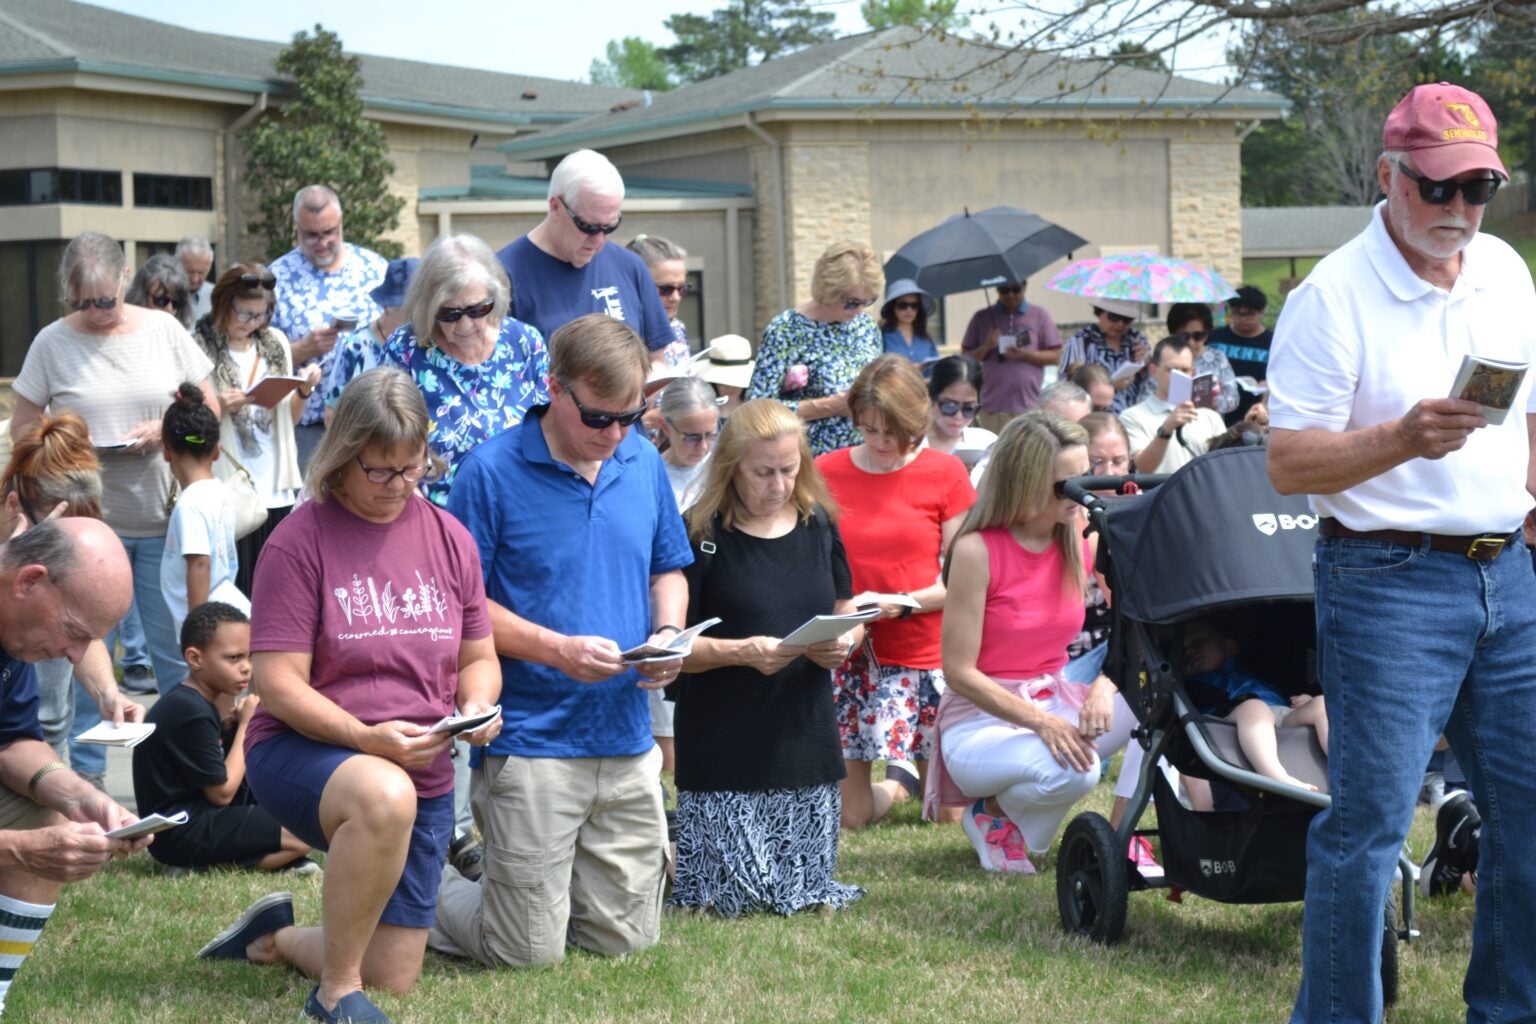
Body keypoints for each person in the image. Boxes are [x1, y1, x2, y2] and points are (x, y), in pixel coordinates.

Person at [1266, 82, 1536, 1024]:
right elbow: (1288, 463)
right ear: (1388, 175)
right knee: (1371, 830)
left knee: (1530, 819)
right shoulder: (1329, 295)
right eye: (1439, 189)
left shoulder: (1506, 269)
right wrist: (1400, 439)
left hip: (1508, 572)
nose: (1460, 212)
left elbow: (1528, 423)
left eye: (1479, 190)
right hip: (1386, 581)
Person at [197, 367, 502, 1024]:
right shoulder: (299, 540)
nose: (399, 487)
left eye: (412, 469)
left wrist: (476, 707)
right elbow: (276, 684)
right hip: (307, 751)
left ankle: (274, 937)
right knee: (381, 792)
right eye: (380, 471)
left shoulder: (449, 537)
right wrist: (365, 739)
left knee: (394, 974)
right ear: (343, 455)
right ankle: (334, 995)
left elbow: (480, 658)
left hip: (421, 765)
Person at [433, 314, 690, 969]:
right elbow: (461, 608)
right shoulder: (488, 473)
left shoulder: (642, 462)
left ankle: (534, 891)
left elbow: (668, 567)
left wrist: (666, 632)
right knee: (525, 956)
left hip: (626, 737)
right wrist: (557, 650)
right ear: (553, 387)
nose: (615, 434)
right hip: (532, 741)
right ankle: (419, 889)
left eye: (631, 416)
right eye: (599, 418)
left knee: (624, 944)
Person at [671, 399, 865, 915]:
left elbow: (846, 604)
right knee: (743, 896)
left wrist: (845, 640)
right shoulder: (700, 533)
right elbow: (672, 646)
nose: (777, 486)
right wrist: (741, 653)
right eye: (762, 472)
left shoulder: (819, 524)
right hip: (725, 745)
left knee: (798, 895)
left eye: (788, 470)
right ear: (731, 466)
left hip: (803, 735)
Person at [11, 231, 218, 705]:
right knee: (80, 648)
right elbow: (23, 430)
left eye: (106, 299)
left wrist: (166, 431)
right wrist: (70, 446)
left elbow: (208, 418)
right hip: (84, 528)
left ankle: (177, 762)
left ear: (127, 278)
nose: (98, 311)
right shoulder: (53, 342)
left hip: (163, 520)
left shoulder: (164, 331)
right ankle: (86, 772)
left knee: (174, 654)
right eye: (85, 303)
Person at [927, 413, 1135, 873]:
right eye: (1067, 483)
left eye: (1084, 476)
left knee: (1154, 704)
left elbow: (1136, 617)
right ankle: (993, 816)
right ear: (1025, 482)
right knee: (1077, 770)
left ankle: (1126, 835)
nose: (1081, 491)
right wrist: (1043, 724)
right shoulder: (977, 550)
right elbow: (959, 672)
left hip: (1054, 698)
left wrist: (1105, 685)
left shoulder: (1082, 536)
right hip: (980, 723)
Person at [817, 355, 976, 828]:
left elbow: (963, 577)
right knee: (852, 818)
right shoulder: (826, 470)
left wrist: (898, 605)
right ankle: (897, 784)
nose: (881, 443)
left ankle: (910, 778)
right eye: (868, 430)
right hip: (853, 651)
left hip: (922, 650)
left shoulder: (944, 473)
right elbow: (814, 564)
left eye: (892, 432)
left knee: (950, 815)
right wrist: (846, 610)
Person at [0, 518, 143, 1017]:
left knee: (52, 823)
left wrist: (78, 795)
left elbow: (12, 741)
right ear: (29, 581)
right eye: (75, 631)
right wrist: (16, 849)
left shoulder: (12, 632)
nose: (76, 655)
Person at [0, 417, 143, 784]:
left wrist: (107, 693)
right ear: (13, 506)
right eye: (54, 534)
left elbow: (83, 632)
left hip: (37, 743)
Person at [131, 602, 314, 875]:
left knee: (305, 818)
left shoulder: (196, 703)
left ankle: (268, 857)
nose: (246, 668)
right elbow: (221, 793)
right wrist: (246, 726)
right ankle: (201, 868)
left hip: (199, 820)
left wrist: (232, 728)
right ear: (195, 659)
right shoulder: (187, 709)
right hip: (179, 832)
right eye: (233, 658)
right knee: (306, 832)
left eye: (249, 657)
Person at [378, 233, 549, 508]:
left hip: (521, 509)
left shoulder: (525, 342)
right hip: (439, 515)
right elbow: (384, 439)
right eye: (450, 314)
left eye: (478, 309)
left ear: (496, 297)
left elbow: (550, 429)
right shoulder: (406, 349)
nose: (466, 325)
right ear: (428, 307)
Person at [193, 263, 314, 597]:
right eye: (245, 314)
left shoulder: (273, 342)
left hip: (276, 484)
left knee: (277, 586)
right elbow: (189, 429)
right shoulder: (199, 345)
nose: (253, 323)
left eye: (262, 315)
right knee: (236, 587)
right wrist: (218, 406)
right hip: (231, 484)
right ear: (222, 304)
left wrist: (303, 391)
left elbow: (289, 421)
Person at [497, 150, 673, 364]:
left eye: (610, 226)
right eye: (588, 226)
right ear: (555, 207)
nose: (598, 239)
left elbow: (656, 358)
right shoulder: (504, 277)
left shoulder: (630, 267)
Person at [269, 185, 389, 468]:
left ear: (341, 223)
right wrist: (300, 350)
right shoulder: (276, 278)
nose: (322, 242)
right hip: (305, 427)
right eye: (311, 235)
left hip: (369, 423)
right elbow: (253, 356)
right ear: (296, 230)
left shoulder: (375, 269)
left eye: (329, 232)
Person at [745, 241, 884, 456]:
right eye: (851, 302)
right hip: (809, 461)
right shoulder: (786, 329)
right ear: (828, 290)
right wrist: (829, 406)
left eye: (867, 302)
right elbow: (757, 409)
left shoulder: (866, 327)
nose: (858, 310)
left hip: (864, 456)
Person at [1182, 618, 1329, 793]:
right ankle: (1275, 775)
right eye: (1181, 652)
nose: (1189, 651)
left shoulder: (1252, 673)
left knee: (1321, 703)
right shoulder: (1194, 685)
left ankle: (1344, 765)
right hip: (1231, 720)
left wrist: (1305, 701)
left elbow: (1281, 702)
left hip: (1279, 714)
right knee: (1254, 707)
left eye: (1197, 642)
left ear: (1230, 647)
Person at [159, 383, 249, 635]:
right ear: (217, 451)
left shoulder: (190, 505)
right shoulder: (219, 492)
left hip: (208, 627)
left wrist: (196, 632)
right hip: (223, 611)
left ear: (167, 451)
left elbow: (199, 564)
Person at [323, 257, 419, 423]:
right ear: (386, 307)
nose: (416, 318)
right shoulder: (357, 346)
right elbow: (332, 415)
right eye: (407, 311)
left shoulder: (433, 342)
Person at [959, 279, 1062, 431]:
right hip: (993, 406)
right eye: (1004, 290)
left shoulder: (1039, 315)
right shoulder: (982, 317)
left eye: (1015, 289)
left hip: (1029, 405)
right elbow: (965, 360)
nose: (1011, 295)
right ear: (997, 290)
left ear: (1024, 287)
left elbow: (1055, 357)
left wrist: (1024, 354)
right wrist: (987, 345)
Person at [1119, 335, 1227, 474]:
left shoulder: (1210, 416)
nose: (1179, 376)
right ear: (1153, 371)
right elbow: (1143, 468)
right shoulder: (1132, 416)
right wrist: (1167, 429)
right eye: (1172, 370)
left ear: (1193, 373)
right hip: (1160, 494)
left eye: (1185, 370)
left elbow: (1225, 464)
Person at [1059, 299, 1149, 414]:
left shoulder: (1137, 340)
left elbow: (1150, 383)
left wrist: (1145, 363)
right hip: (1094, 415)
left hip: (1131, 415)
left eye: (1127, 319)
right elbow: (1067, 384)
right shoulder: (1081, 341)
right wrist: (1110, 386)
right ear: (1100, 312)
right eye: (1114, 317)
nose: (1120, 323)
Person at [1207, 284, 1272, 423]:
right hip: (1218, 412)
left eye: (1250, 314)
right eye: (1237, 313)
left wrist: (1269, 384)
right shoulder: (1215, 338)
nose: (1243, 319)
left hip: (1256, 413)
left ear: (1261, 312)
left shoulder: (1273, 342)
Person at [657, 375, 720, 511]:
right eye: (692, 437)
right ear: (666, 427)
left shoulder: (724, 464)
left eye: (710, 434)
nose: (703, 447)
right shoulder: (654, 478)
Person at [627, 234, 691, 367]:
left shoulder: (678, 328)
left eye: (682, 288)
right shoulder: (623, 338)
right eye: (665, 289)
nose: (676, 298)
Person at [923, 355, 997, 470]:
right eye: (949, 407)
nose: (958, 416)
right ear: (932, 398)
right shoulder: (910, 446)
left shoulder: (987, 444)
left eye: (969, 408)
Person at [1166, 302, 1237, 417]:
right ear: (1172, 334)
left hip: (1210, 427)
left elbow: (1233, 398)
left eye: (1198, 336)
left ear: (1207, 334)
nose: (1191, 342)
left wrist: (1215, 401)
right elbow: (1147, 396)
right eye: (1183, 336)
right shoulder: (1164, 358)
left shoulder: (1218, 358)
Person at [879, 279, 940, 364]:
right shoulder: (881, 337)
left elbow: (936, 370)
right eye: (903, 305)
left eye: (914, 305)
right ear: (892, 307)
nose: (909, 310)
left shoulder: (926, 339)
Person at [693, 333, 755, 417]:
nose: (729, 387)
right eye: (722, 383)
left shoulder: (756, 411)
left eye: (736, 381)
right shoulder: (701, 411)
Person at [126, 253, 193, 330]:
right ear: (141, 296)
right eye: (161, 301)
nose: (169, 309)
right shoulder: (124, 333)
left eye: (176, 303)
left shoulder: (182, 338)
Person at [177, 237, 215, 322]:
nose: (195, 279)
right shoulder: (160, 297)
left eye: (201, 273)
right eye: (189, 272)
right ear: (176, 264)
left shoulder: (217, 297)